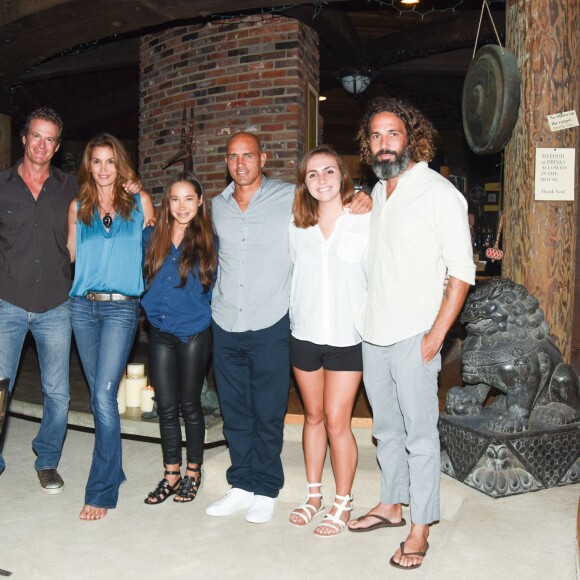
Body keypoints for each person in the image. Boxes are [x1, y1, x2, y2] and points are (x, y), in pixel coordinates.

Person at [206, 132, 371, 524]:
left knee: (267, 410)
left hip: (271, 321)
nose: (241, 163)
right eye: (233, 157)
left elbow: (330, 194)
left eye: (248, 155)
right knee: (234, 411)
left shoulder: (289, 199)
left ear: (264, 158)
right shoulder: (217, 205)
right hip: (226, 319)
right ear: (226, 162)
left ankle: (265, 488)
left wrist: (359, 194)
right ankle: (241, 484)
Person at [348, 97, 475, 570]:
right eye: (376, 136)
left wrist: (437, 335)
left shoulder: (440, 193)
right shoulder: (378, 193)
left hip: (416, 334)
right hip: (375, 332)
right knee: (385, 430)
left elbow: (462, 271)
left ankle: (421, 527)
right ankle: (391, 504)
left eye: (393, 134)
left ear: (411, 138)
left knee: (421, 436)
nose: (384, 144)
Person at [67, 133, 154, 520]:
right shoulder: (77, 207)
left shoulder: (139, 202)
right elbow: (71, 255)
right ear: (89, 166)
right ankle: (115, 470)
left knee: (103, 396)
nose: (103, 169)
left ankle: (101, 490)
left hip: (121, 310)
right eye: (96, 162)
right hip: (82, 309)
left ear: (120, 165)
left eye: (110, 161)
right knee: (99, 396)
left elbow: (158, 248)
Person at [287, 145, 370, 536]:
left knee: (339, 421)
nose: (322, 180)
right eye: (312, 174)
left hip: (347, 337)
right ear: (304, 183)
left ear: (343, 175)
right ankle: (314, 496)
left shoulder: (365, 220)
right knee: (314, 416)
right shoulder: (295, 225)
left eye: (329, 172)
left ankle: (343, 502)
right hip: (304, 333)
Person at [0, 108, 77, 492]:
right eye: (36, 136)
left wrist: (133, 190)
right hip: (8, 301)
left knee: (57, 391)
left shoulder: (72, 187)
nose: (41, 144)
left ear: (57, 145)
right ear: (24, 138)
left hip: (56, 304)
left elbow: (110, 203)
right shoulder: (1, 186)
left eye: (50, 138)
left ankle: (47, 459)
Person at [141, 172, 216, 505]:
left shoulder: (210, 239)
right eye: (175, 199)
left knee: (190, 405)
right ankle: (171, 473)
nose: (182, 206)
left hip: (193, 333)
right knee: (166, 407)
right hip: (158, 331)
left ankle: (193, 472)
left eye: (189, 199)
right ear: (166, 203)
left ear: (199, 202)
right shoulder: (152, 236)